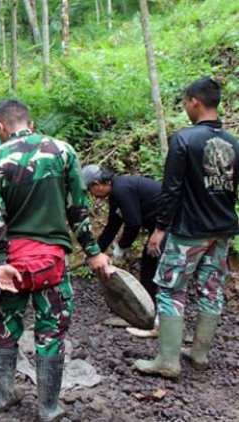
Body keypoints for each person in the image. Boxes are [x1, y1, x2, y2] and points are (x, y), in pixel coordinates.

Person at [0, 99, 109, 422]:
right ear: (31, 123)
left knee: (6, 323)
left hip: (12, 263)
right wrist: (92, 252)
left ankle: (1, 395)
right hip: (51, 261)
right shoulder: (63, 151)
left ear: (0, 128)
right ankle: (48, 407)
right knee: (51, 329)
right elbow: (78, 208)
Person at [135, 77, 239, 379]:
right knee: (211, 289)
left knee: (170, 289)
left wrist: (159, 228)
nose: (185, 107)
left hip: (188, 232)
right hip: (222, 230)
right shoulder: (234, 143)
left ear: (194, 101)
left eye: (185, 102)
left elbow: (171, 190)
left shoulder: (184, 139)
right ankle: (200, 354)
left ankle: (167, 361)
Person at [81, 165, 164, 338]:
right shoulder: (117, 192)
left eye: (90, 189)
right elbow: (113, 226)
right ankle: (145, 314)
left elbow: (133, 223)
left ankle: (158, 322)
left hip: (169, 225)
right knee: (148, 267)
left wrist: (121, 247)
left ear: (98, 184)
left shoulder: (122, 189)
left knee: (155, 268)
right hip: (157, 227)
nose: (92, 194)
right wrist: (94, 252)